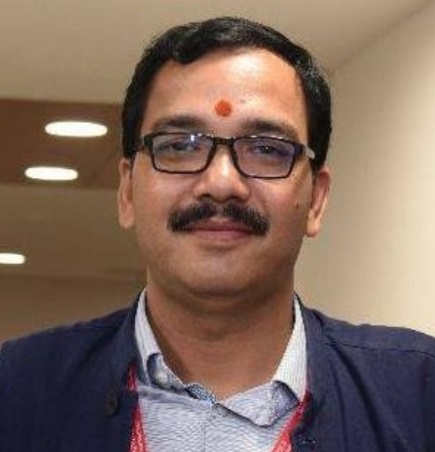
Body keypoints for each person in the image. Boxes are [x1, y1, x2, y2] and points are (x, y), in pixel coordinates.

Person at [1, 16, 434, 452]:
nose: (222, 182)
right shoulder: (17, 391)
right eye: (180, 145)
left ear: (316, 200)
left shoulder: (417, 397)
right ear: (127, 190)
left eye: (266, 148)